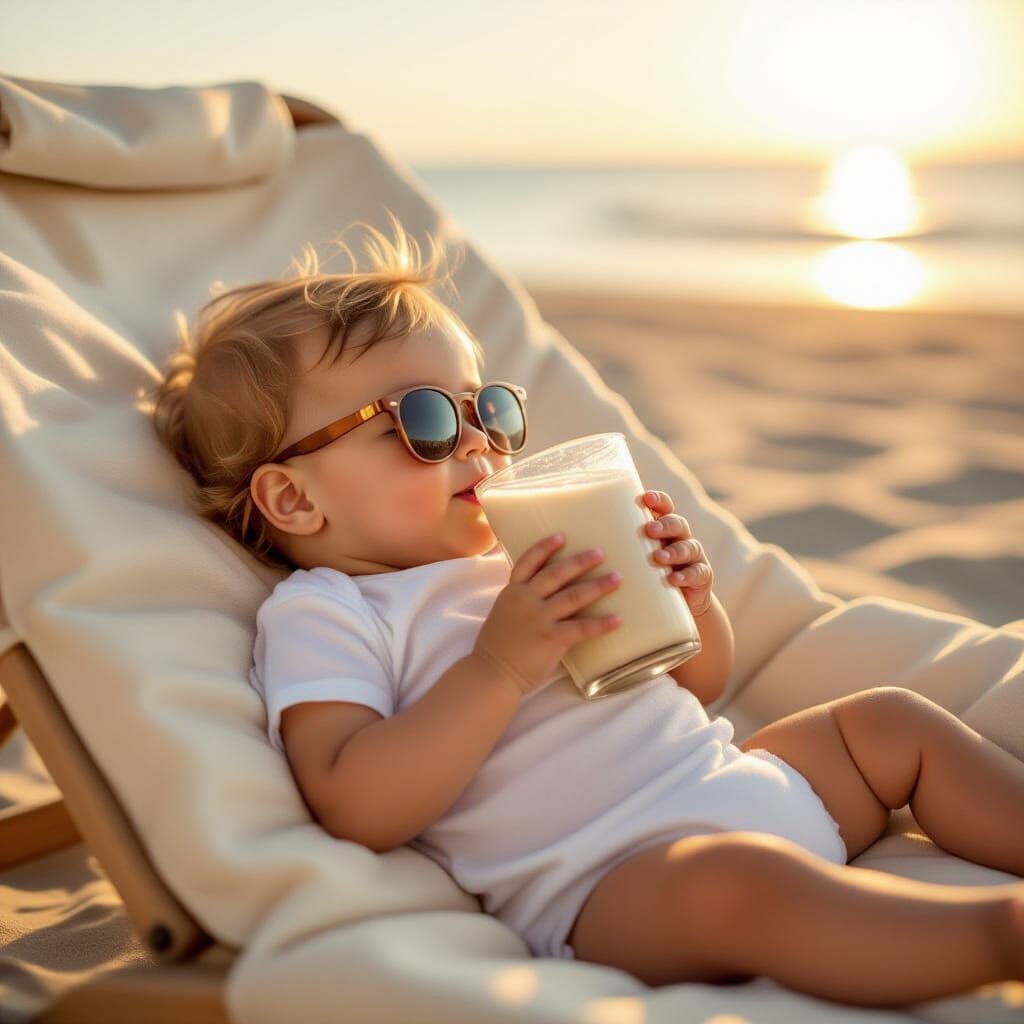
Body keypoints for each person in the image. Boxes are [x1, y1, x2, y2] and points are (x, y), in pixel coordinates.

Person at [144, 211, 1024, 1009]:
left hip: (738, 783)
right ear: (294, 500)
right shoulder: (328, 612)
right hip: (620, 886)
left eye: (485, 408)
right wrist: (498, 668)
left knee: (889, 725)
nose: (481, 442)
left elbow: (698, 686)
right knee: (738, 884)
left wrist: (689, 601)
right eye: (424, 422)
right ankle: (996, 937)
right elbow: (356, 803)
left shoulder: (521, 552)